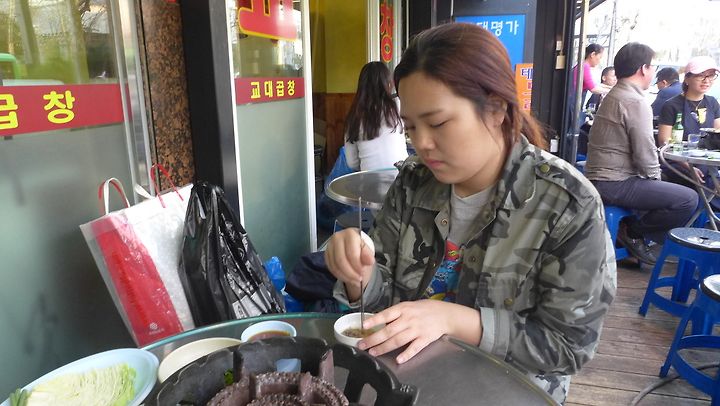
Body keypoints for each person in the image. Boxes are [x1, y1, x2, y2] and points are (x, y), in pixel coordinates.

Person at [325, 23, 617, 404]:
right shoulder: (412, 183)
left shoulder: (567, 205)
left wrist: (457, 320)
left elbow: (567, 347)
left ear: (496, 108)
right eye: (410, 127)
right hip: (408, 384)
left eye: (438, 123)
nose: (421, 143)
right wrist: (360, 277)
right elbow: (384, 307)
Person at [584, 42, 698, 265]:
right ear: (643, 69)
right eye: (653, 67)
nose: (654, 72)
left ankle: (636, 232)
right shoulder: (634, 101)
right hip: (613, 182)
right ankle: (633, 233)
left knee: (669, 182)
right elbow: (645, 154)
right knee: (688, 199)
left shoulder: (615, 94)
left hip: (602, 178)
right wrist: (656, 179)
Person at [657, 56, 720, 209]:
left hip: (707, 161)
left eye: (711, 76)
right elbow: (664, 142)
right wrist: (688, 167)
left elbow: (717, 135)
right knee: (705, 180)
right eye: (701, 76)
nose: (706, 80)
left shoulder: (712, 103)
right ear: (687, 79)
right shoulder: (671, 105)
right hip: (678, 163)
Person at [343, 61, 408, 171]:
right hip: (400, 175)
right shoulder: (398, 105)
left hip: (369, 178)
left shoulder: (354, 116)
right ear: (388, 83)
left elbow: (352, 163)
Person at [568, 44, 613, 130]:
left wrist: (611, 88)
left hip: (572, 102)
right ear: (592, 55)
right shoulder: (584, 66)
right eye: (600, 57)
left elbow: (594, 84)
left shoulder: (582, 65)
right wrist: (612, 91)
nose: (599, 61)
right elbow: (593, 89)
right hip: (572, 103)